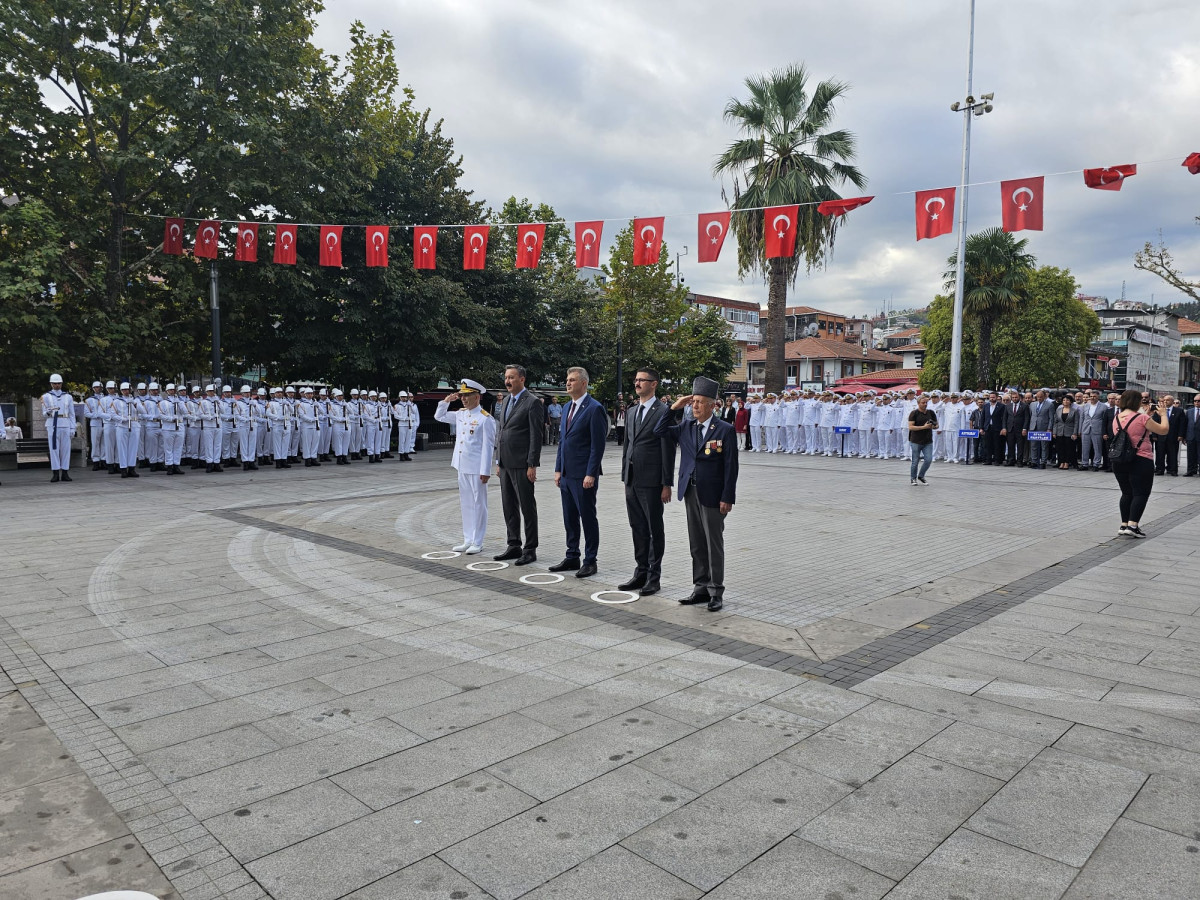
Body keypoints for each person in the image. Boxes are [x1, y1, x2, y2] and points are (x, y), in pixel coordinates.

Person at [655, 376, 739, 612]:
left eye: (701, 402)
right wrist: (674, 407)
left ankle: (715, 591)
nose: (696, 406)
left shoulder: (725, 430)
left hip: (713, 495)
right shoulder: (687, 427)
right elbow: (659, 430)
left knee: (713, 544)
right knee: (696, 543)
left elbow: (731, 467)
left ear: (713, 405)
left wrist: (727, 497)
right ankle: (700, 587)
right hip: (690, 491)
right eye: (694, 402)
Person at [619, 367, 676, 597]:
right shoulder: (632, 411)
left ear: (654, 383)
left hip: (652, 481)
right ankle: (640, 571)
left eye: (642, 380)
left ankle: (654, 576)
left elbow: (667, 449)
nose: (637, 383)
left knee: (654, 529)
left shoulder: (664, 412)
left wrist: (666, 483)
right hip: (632, 479)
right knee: (637, 527)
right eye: (636, 380)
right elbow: (627, 446)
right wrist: (624, 474)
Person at [550, 367, 607, 578]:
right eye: (567, 380)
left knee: (587, 518)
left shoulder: (595, 408)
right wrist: (558, 468)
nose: (568, 383)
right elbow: (562, 442)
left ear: (584, 383)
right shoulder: (566, 408)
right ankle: (572, 555)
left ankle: (590, 560)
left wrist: (591, 473)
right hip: (566, 474)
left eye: (572, 380)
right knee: (569, 518)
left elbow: (597, 446)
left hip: (584, 475)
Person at [435, 379, 497, 554]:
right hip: (462, 465)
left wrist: (485, 471)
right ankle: (467, 539)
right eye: (462, 396)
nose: (463, 399)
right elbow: (439, 416)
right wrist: (446, 401)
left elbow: (487, 447)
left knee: (479, 505)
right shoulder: (461, 414)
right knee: (466, 504)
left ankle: (478, 541)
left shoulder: (485, 419)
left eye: (467, 396)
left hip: (477, 468)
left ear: (477, 397)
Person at [493, 364, 543, 566]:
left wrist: (532, 464)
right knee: (508, 506)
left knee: (527, 507)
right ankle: (513, 544)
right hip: (505, 462)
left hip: (522, 463)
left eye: (512, 377)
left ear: (522, 379)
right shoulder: (505, 400)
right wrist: (498, 460)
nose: (507, 381)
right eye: (506, 377)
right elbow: (502, 432)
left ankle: (530, 549)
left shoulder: (532, 402)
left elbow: (535, 436)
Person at [1111, 389, 1170, 537]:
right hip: (1140, 459)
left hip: (1120, 460)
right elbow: (1163, 430)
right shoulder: (1141, 418)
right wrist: (1163, 415)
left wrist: (1147, 416)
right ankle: (1133, 525)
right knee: (1141, 493)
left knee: (1126, 493)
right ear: (1136, 402)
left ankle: (1124, 524)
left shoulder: (1117, 417)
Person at [40, 374, 77, 482]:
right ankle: (55, 472)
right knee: (54, 449)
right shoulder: (46, 396)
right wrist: (48, 411)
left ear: (61, 383)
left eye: (59, 383)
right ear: (51, 384)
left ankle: (65, 472)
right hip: (52, 423)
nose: (57, 385)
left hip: (65, 423)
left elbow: (72, 414)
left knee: (66, 450)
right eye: (55, 383)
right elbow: (44, 414)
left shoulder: (68, 396)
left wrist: (72, 428)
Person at [907, 393, 937, 485]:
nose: (925, 404)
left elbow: (936, 425)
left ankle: (921, 475)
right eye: (923, 403)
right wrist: (924, 427)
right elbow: (911, 427)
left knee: (928, 460)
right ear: (918, 403)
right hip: (916, 440)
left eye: (926, 403)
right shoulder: (914, 413)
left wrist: (932, 426)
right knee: (915, 461)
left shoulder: (931, 412)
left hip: (927, 440)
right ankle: (913, 478)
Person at [1154, 394, 1183, 477]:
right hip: (1160, 436)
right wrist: (1154, 435)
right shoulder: (1159, 410)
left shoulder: (1179, 411)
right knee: (1160, 454)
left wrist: (1181, 435)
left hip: (1173, 436)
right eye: (1164, 400)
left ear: (1173, 401)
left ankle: (1173, 470)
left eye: (1168, 400)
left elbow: (1182, 424)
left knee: (1173, 454)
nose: (1165, 402)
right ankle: (1159, 469)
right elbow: (1155, 422)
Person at [1078, 390, 1105, 471]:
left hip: (1097, 429)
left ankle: (1096, 464)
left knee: (1097, 447)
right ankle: (1084, 464)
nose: (1092, 398)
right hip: (1086, 429)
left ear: (1098, 397)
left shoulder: (1103, 406)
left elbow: (1104, 420)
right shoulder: (1085, 406)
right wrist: (1080, 430)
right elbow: (1081, 418)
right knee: (1085, 447)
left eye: (1094, 396)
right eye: (1091, 396)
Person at [1027, 389, 1055, 470]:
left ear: (1045, 396)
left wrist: (1049, 428)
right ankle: (1034, 461)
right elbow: (1030, 415)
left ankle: (1043, 462)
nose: (1039, 398)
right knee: (1033, 445)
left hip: (1044, 427)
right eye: (1038, 397)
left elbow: (1051, 418)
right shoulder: (1032, 404)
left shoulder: (1049, 405)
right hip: (1033, 427)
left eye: (1041, 397)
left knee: (1044, 446)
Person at [1051, 394, 1080, 470]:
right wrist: (1054, 432)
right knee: (1060, 448)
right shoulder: (1059, 409)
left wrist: (1075, 433)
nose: (1065, 401)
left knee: (1069, 448)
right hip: (1059, 431)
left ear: (1070, 401)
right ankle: (1061, 462)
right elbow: (1055, 421)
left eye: (1067, 400)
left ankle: (1067, 463)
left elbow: (1076, 423)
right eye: (1064, 400)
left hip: (1069, 432)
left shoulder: (1074, 411)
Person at [1004, 390, 1029, 467]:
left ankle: (1019, 461)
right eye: (1013, 397)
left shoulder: (1024, 406)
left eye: (1016, 397)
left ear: (1019, 397)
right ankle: (1011, 460)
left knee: (1020, 446)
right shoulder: (1008, 406)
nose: (1014, 399)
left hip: (1020, 429)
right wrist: (1004, 428)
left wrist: (1024, 428)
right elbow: (1005, 418)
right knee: (1010, 445)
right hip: (1010, 429)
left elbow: (1026, 418)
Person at [394, 391, 419, 460]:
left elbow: (414, 411)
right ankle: (401, 454)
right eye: (402, 397)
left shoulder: (409, 405)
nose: (404, 398)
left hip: (409, 424)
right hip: (402, 424)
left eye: (405, 397)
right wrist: (404, 419)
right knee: (402, 440)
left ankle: (406, 453)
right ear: (400, 397)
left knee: (408, 440)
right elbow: (396, 416)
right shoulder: (397, 405)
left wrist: (410, 404)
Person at [1184, 395, 1200, 477]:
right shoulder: (1189, 411)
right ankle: (1190, 470)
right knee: (1190, 455)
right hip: (1190, 436)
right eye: (1195, 401)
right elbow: (1185, 424)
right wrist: (1184, 436)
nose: (1196, 402)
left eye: (1198, 401)